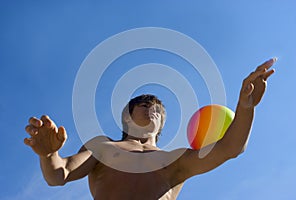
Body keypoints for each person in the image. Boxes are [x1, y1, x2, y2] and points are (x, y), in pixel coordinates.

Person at [24, 58, 276, 199]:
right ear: (127, 117)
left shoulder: (174, 159)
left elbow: (231, 148)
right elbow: (59, 174)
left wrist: (246, 105)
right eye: (145, 105)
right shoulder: (103, 146)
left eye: (158, 110)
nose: (152, 110)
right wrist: (49, 155)